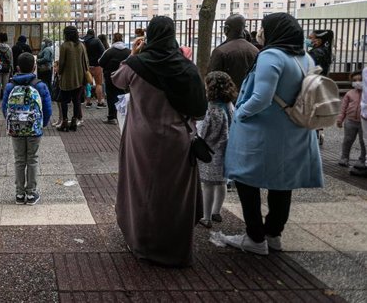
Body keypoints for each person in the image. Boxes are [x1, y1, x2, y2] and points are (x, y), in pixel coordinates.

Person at [222, 13, 323, 256]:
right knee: (282, 184)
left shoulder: (270, 56)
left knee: (246, 180)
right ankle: (273, 234)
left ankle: (255, 237)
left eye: (264, 28)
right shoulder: (304, 58)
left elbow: (261, 97)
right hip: (294, 130)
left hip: (263, 132)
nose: (260, 32)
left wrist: (239, 113)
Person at [112, 16, 207, 267]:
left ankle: (143, 243)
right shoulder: (187, 67)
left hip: (141, 140)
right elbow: (200, 108)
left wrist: (133, 53)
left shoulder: (136, 64)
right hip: (177, 140)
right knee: (174, 195)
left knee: (143, 190)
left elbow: (117, 80)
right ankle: (175, 248)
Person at [1, 52, 52, 205]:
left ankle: (19, 194)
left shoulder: (10, 86)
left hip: (16, 128)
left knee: (19, 160)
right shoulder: (40, 85)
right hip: (34, 128)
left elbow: (5, 108)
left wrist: (13, 122)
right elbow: (48, 108)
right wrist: (41, 124)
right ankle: (31, 194)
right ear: (34, 67)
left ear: (17, 67)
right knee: (32, 159)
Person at [197, 71, 236, 228]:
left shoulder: (212, 109)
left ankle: (206, 217)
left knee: (208, 185)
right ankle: (216, 211)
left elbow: (206, 133)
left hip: (212, 153)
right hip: (228, 151)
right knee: (222, 183)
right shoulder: (229, 105)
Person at [208, 14, 259, 91]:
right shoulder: (255, 50)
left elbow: (212, 80)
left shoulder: (220, 51)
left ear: (226, 29)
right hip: (249, 97)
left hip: (226, 99)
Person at [58, 26, 90, 132]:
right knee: (76, 100)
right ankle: (74, 121)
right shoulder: (81, 45)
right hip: (79, 78)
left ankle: (64, 122)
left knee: (64, 101)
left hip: (67, 78)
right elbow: (85, 62)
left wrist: (59, 72)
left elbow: (61, 63)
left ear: (66, 34)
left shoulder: (64, 46)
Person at [98, 32, 130, 125]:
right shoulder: (128, 51)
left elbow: (101, 62)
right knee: (123, 96)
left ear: (113, 40)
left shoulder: (109, 51)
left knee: (111, 96)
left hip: (110, 77)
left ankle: (112, 117)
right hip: (124, 77)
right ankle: (123, 115)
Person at [337, 71, 365, 168]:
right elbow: (343, 108)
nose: (357, 82)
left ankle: (362, 160)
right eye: (354, 80)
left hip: (363, 122)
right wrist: (340, 119)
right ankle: (344, 158)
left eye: (360, 80)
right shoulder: (349, 94)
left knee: (363, 141)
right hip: (350, 121)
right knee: (348, 140)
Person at [83, 29, 106, 108]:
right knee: (98, 84)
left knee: (88, 84)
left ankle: (88, 102)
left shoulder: (83, 41)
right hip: (96, 65)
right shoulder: (97, 41)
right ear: (94, 34)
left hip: (87, 65)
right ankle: (99, 102)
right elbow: (103, 52)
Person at [0, 33, 14, 103]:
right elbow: (11, 60)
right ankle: (5, 103)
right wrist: (11, 69)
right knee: (5, 86)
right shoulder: (9, 48)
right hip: (6, 69)